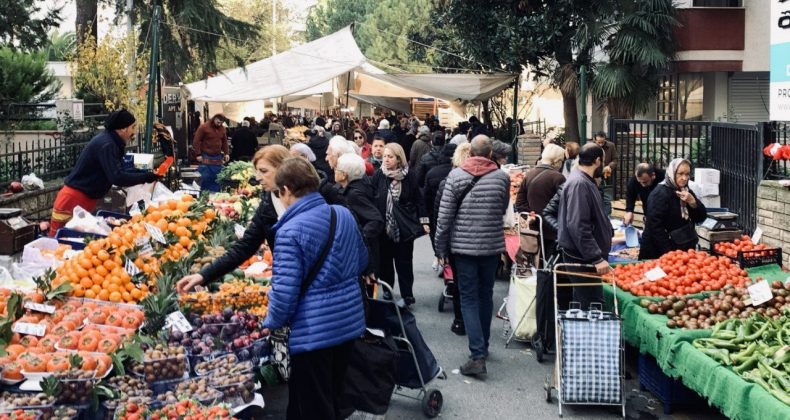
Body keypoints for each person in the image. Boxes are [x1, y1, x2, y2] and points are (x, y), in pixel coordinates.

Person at [262, 158, 367, 420]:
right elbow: (362, 260)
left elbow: (284, 294)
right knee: (332, 395)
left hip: (313, 332)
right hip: (348, 322)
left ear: (286, 190)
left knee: (314, 406)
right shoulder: (341, 214)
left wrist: (269, 323)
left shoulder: (289, 231)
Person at [434, 135, 510, 376]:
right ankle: (483, 346)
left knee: (468, 297)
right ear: (490, 154)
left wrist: (440, 249)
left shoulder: (455, 176)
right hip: (490, 246)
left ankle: (477, 355)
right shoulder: (502, 178)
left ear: (469, 153)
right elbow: (502, 208)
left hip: (463, 247)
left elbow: (444, 217)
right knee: (485, 295)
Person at [176, 146, 291, 293]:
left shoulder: (309, 199)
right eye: (257, 171)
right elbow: (245, 246)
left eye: (264, 171)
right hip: (286, 281)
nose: (257, 177)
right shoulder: (268, 203)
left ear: (283, 169)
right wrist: (203, 275)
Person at [49, 110, 158, 236]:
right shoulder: (107, 144)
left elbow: (120, 169)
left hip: (83, 199)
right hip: (73, 200)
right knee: (60, 241)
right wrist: (145, 177)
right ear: (123, 129)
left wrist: (146, 174)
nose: (134, 132)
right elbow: (117, 177)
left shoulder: (111, 141)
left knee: (76, 240)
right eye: (133, 127)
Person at [514, 143, 566, 354]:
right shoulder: (557, 178)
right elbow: (564, 206)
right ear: (558, 161)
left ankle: (539, 322)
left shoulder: (529, 174)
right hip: (553, 233)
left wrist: (532, 216)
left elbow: (519, 203)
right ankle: (549, 324)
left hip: (535, 233)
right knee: (552, 278)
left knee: (541, 274)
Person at [557, 143, 613, 310]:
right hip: (582, 257)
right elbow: (578, 225)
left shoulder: (582, 180)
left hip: (581, 255)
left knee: (584, 303)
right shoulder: (580, 183)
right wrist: (596, 257)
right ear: (597, 160)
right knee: (592, 306)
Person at [371, 142, 424, 306]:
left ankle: (407, 295)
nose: (386, 159)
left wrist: (424, 220)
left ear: (399, 159)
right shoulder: (379, 175)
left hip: (403, 227)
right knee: (385, 262)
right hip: (384, 227)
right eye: (385, 156)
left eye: (390, 157)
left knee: (404, 263)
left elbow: (419, 199)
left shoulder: (410, 176)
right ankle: (388, 291)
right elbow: (372, 197)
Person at [639, 158, 707, 260]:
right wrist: (670, 254)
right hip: (658, 251)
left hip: (680, 247)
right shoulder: (660, 193)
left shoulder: (685, 190)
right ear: (672, 173)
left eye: (687, 174)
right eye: (680, 174)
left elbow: (701, 217)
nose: (684, 178)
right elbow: (655, 226)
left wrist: (693, 202)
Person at [335, 153, 384, 283]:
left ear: (344, 175)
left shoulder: (354, 194)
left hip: (365, 252)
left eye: (337, 169)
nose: (334, 170)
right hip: (368, 249)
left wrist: (358, 237)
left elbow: (375, 220)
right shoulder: (359, 186)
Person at [193, 113, 229, 192]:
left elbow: (224, 141)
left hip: (217, 156)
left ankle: (216, 195)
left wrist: (226, 153)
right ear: (214, 119)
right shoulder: (204, 127)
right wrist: (198, 154)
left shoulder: (222, 128)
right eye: (218, 122)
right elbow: (196, 141)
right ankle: (205, 194)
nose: (219, 124)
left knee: (217, 177)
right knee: (206, 177)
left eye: (221, 123)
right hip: (206, 155)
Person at [594, 131, 617, 215]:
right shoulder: (591, 147)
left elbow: (615, 159)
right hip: (595, 176)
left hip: (607, 174)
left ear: (605, 139)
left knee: (607, 198)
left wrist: (609, 166)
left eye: (602, 142)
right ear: (594, 140)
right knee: (596, 198)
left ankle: (607, 217)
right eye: (598, 142)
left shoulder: (611, 145)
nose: (600, 144)